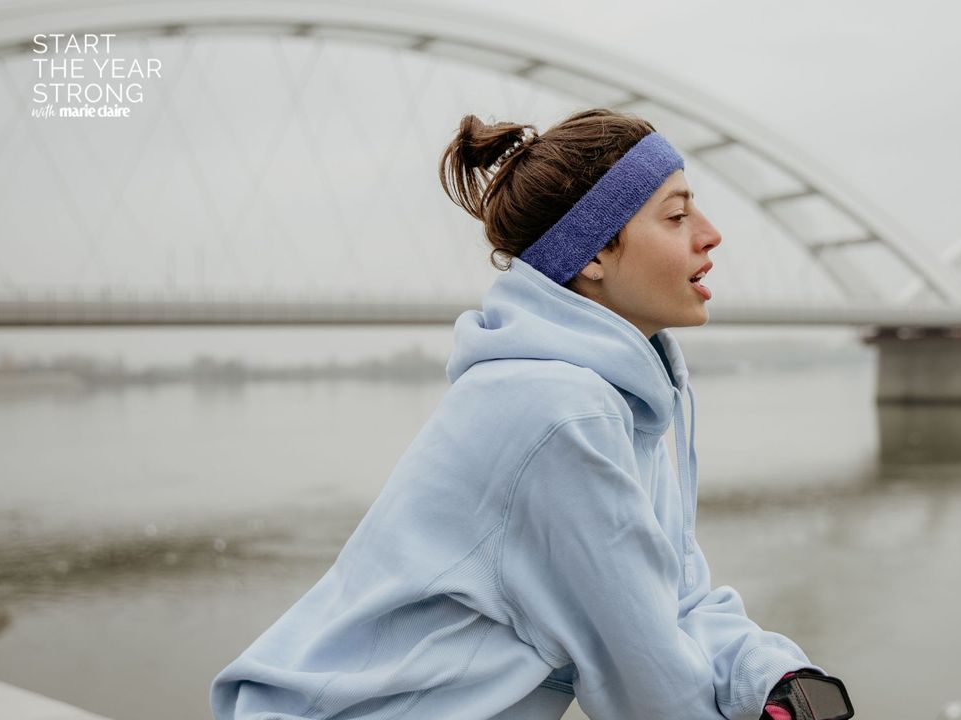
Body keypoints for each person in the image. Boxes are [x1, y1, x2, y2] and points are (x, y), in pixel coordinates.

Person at [210, 108, 849, 719]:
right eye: (677, 215)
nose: (711, 233)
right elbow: (646, 686)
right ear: (592, 255)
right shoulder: (560, 413)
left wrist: (775, 678)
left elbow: (675, 600)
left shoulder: (630, 402)